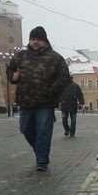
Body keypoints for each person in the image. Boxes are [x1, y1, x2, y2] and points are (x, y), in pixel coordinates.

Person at [7, 26, 71, 172]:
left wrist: (51, 91)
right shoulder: (21, 56)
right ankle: (40, 152)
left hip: (45, 102)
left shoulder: (55, 58)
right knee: (25, 129)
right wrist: (13, 77)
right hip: (25, 100)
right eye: (32, 39)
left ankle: (42, 161)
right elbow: (10, 69)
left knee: (43, 131)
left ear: (45, 41)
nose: (35, 42)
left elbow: (64, 78)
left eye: (38, 39)